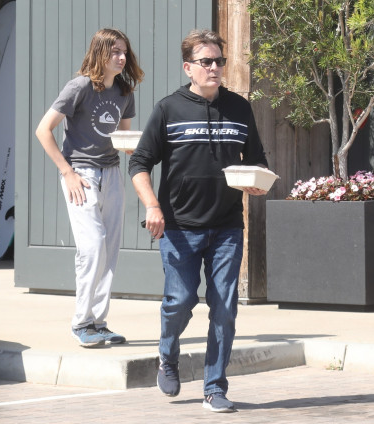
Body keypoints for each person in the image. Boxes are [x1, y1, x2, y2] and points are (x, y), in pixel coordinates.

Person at [129, 29, 269, 413]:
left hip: (227, 226)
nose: (214, 68)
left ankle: (214, 387)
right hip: (178, 226)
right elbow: (138, 163)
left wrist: (257, 182)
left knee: (224, 307)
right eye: (206, 62)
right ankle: (167, 355)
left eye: (219, 61)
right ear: (188, 67)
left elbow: (256, 159)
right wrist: (152, 206)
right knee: (180, 301)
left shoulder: (240, 108)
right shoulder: (168, 109)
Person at [35, 28, 144, 348]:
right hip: (80, 175)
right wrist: (66, 172)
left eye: (124, 51)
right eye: (115, 52)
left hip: (111, 175)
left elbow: (123, 142)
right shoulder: (79, 87)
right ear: (100, 53)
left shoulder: (124, 91)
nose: (122, 57)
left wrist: (143, 147)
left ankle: (97, 322)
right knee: (93, 246)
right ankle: (81, 322)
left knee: (109, 250)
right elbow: (43, 130)